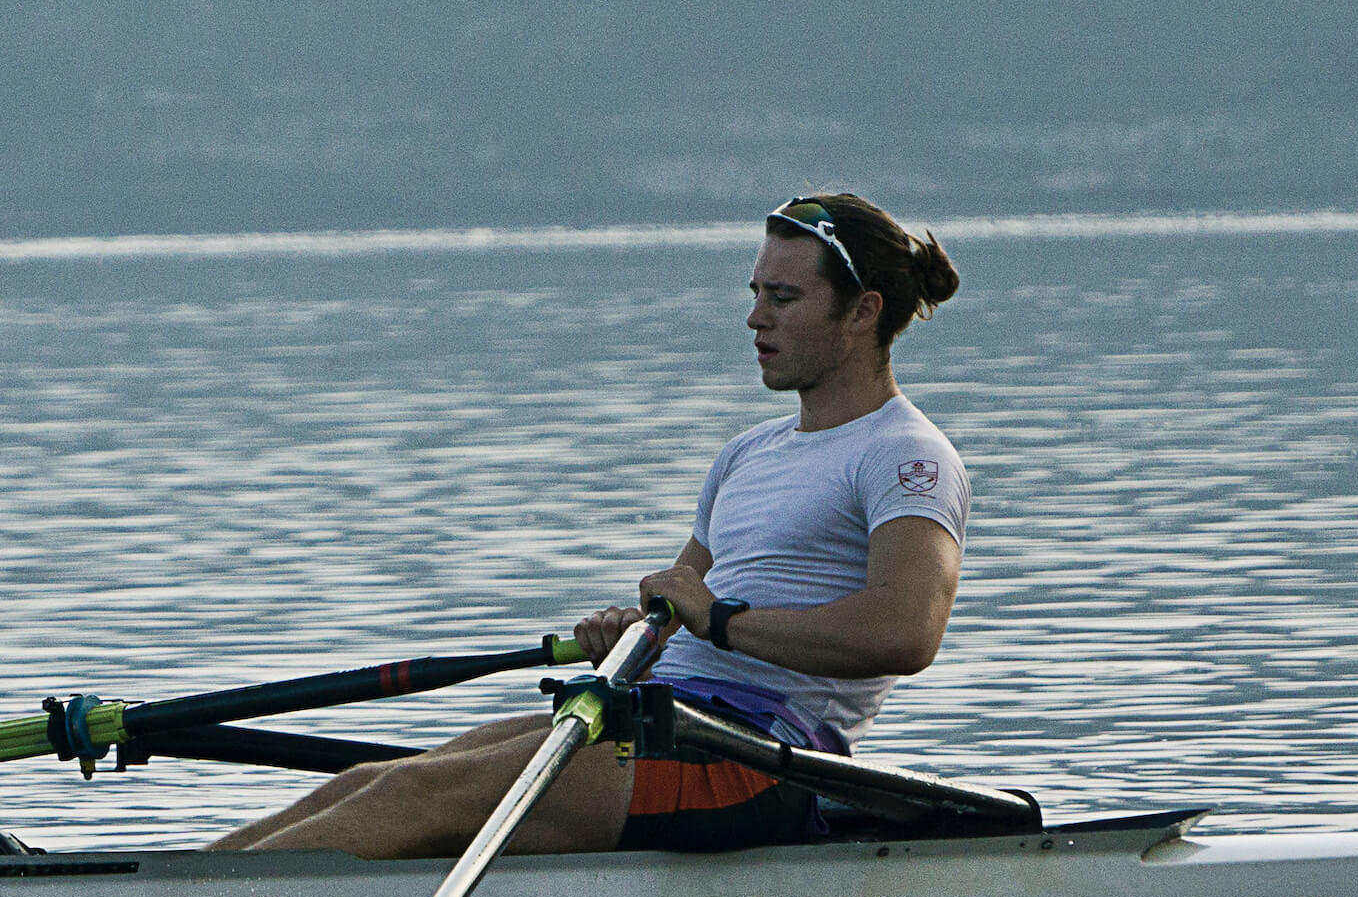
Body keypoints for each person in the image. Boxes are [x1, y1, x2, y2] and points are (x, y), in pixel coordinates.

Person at [211, 193, 968, 858]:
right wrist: (631, 630)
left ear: (863, 311)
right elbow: (677, 611)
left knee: (412, 802)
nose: (755, 317)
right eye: (755, 292)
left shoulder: (905, 455)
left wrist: (723, 622)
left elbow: (906, 631)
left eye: (783, 298)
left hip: (757, 756)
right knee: (382, 779)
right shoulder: (746, 454)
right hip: (651, 714)